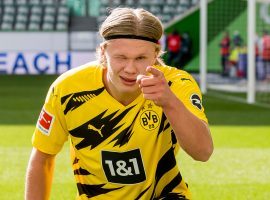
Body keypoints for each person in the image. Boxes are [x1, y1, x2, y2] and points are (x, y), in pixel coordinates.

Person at [25, 7, 213, 200]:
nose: (130, 69)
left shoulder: (175, 84)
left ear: (156, 53)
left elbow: (203, 152)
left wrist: (169, 102)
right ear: (103, 51)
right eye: (121, 57)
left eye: (140, 58)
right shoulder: (68, 89)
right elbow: (42, 158)